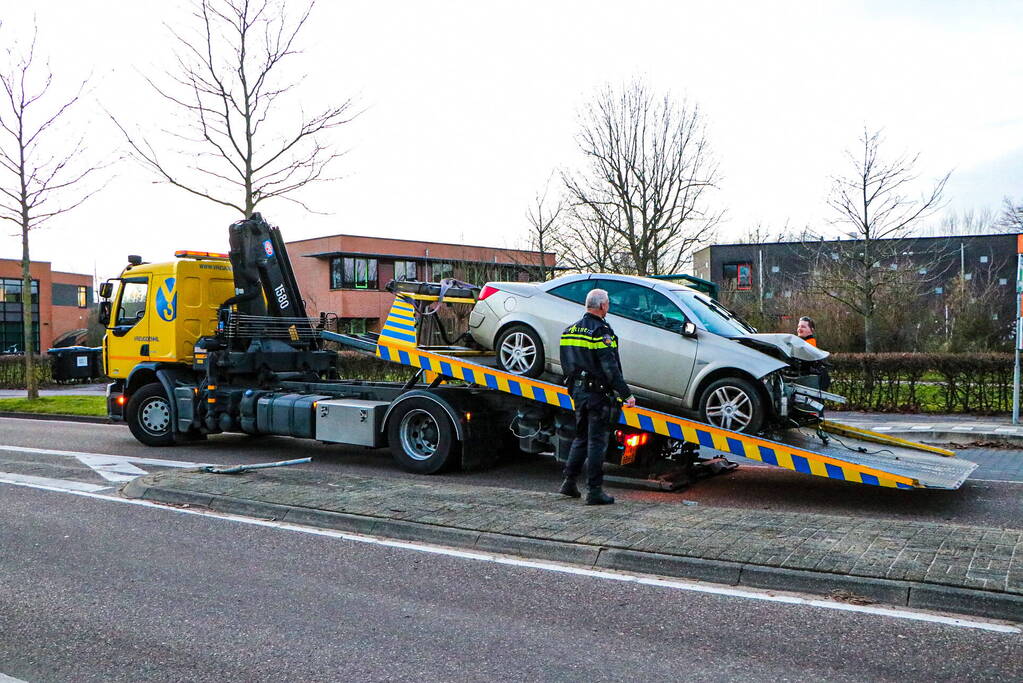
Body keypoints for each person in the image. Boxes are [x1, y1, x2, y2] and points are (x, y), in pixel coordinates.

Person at [558, 288, 636, 505]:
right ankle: (594, 491)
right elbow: (610, 368)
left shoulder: (570, 330)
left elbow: (566, 365)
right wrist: (626, 394)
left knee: (581, 437)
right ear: (602, 306)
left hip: (578, 392)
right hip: (597, 394)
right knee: (596, 442)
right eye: (608, 303)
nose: (608, 306)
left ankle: (569, 482)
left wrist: (574, 388)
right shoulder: (601, 332)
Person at [796, 315, 831, 391]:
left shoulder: (809, 345)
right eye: (798, 326)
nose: (799, 329)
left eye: (803, 327)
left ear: (811, 330)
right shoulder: (800, 343)